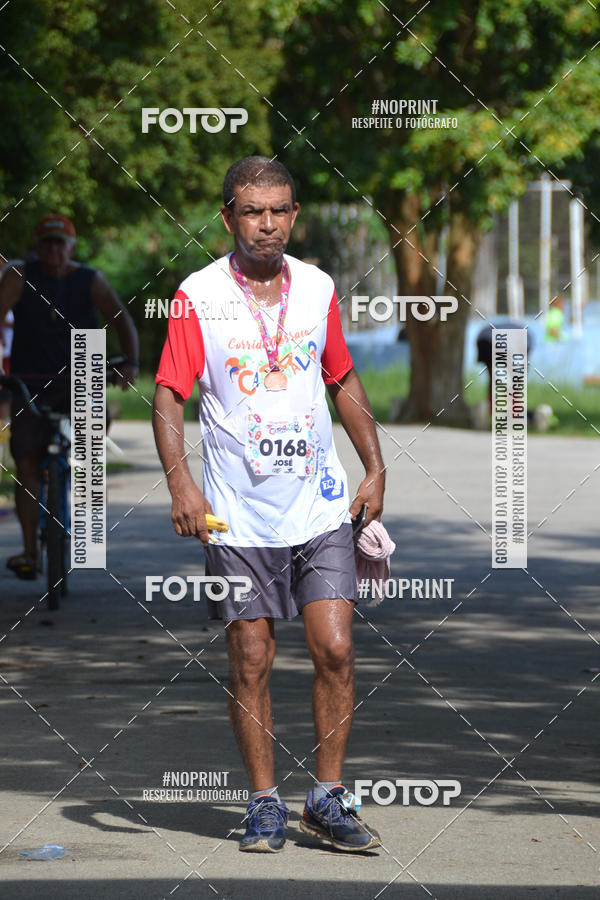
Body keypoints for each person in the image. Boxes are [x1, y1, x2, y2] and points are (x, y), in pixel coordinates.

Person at [153, 156, 386, 854]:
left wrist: (374, 467)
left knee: (336, 650)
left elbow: (341, 377)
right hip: (237, 512)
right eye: (253, 210)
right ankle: (262, 804)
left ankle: (327, 799)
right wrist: (181, 485)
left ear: (294, 215)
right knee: (251, 657)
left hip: (318, 504)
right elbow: (169, 393)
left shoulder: (316, 288)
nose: (268, 224)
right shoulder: (197, 295)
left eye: (280, 209)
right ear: (227, 216)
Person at [0, 215, 139, 579]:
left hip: (83, 374)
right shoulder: (19, 276)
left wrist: (131, 362)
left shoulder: (90, 280)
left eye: (60, 243)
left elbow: (121, 317)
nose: (53, 250)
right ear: (37, 245)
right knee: (27, 465)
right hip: (30, 379)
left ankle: (83, 517)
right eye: (47, 243)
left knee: (91, 452)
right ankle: (30, 551)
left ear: (72, 246)